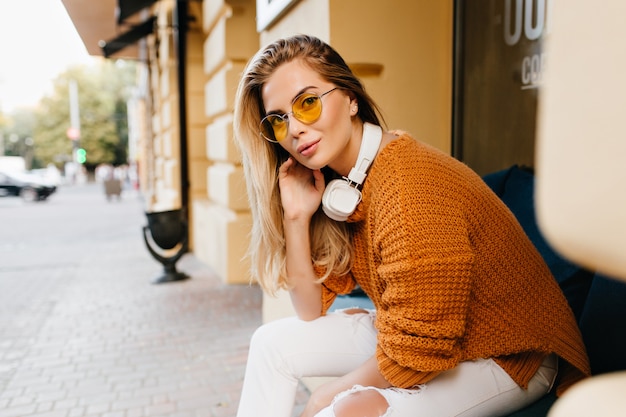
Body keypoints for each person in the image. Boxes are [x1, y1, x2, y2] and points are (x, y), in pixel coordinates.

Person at [232, 34, 590, 417]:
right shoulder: (344, 185)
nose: (295, 129)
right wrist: (296, 217)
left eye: (307, 103)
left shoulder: (407, 187)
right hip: (429, 333)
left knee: (344, 411)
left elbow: (420, 352)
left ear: (351, 99)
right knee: (271, 343)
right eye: (279, 120)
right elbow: (308, 311)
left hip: (509, 354)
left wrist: (324, 397)